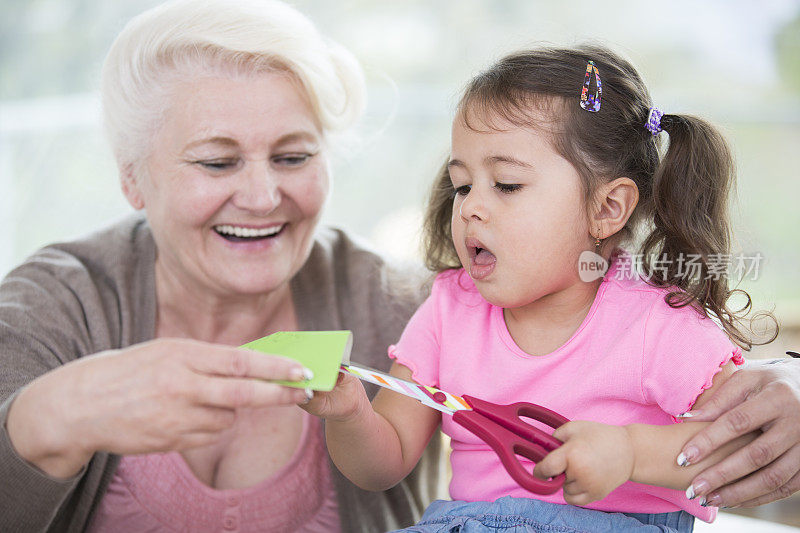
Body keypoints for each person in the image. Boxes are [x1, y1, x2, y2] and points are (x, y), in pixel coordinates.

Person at [0, 0, 444, 531]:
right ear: (132, 179)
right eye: (217, 162)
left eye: (293, 157)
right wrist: (47, 421)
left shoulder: (400, 304)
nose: (261, 198)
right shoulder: (55, 306)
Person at [301, 45, 782, 532]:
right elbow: (384, 464)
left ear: (607, 208)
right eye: (463, 186)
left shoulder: (658, 321)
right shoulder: (448, 310)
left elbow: (742, 442)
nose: (469, 208)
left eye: (506, 185)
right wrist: (349, 413)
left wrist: (631, 453)